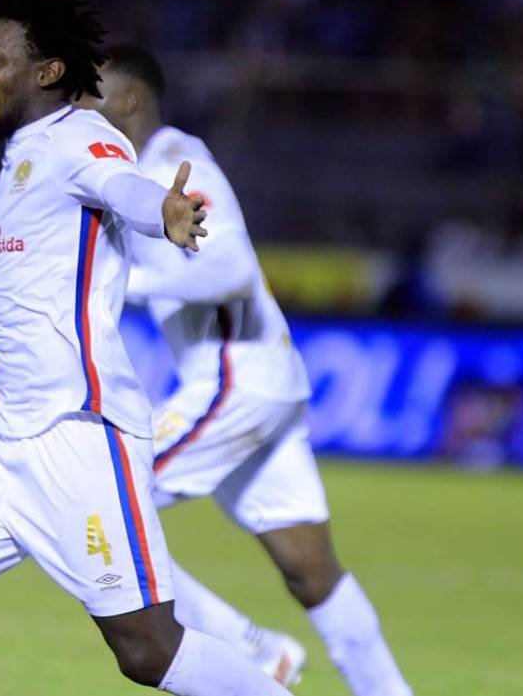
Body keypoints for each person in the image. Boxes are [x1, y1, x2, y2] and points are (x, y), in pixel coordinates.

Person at [0, 0, 291, 696]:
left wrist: (165, 209)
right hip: (9, 436)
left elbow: (120, 183)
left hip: (79, 432)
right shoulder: (27, 147)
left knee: (149, 651)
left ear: (48, 71)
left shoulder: (80, 137)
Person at [89, 43, 413, 696]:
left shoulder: (177, 162)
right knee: (310, 570)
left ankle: (255, 652)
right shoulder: (138, 173)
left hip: (234, 378)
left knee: (94, 504)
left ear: (128, 100)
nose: (78, 109)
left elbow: (233, 268)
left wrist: (129, 280)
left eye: (90, 94)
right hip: (264, 377)